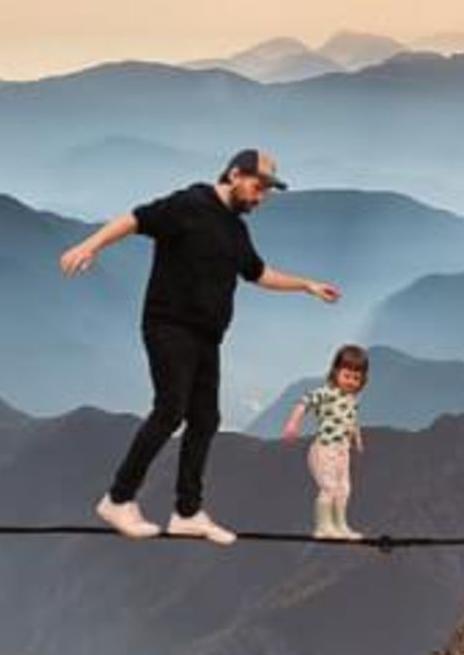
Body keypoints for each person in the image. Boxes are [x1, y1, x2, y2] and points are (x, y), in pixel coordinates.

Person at [59, 147, 340, 545]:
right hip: (169, 326)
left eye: (266, 192)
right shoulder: (190, 204)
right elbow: (136, 219)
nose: (260, 198)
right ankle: (118, 499)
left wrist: (306, 285)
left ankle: (187, 512)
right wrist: (91, 245)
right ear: (234, 175)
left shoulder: (235, 228)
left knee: (206, 418)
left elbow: (258, 273)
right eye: (257, 187)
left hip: (207, 336)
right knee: (171, 409)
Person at [281, 343, 368, 540]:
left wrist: (357, 438)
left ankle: (340, 525)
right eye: (347, 376)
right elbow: (304, 402)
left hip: (341, 451)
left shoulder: (352, 399)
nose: (351, 381)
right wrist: (293, 423)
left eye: (356, 378)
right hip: (324, 449)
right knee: (328, 487)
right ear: (336, 372)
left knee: (344, 489)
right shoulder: (326, 392)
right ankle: (323, 526)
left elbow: (352, 420)